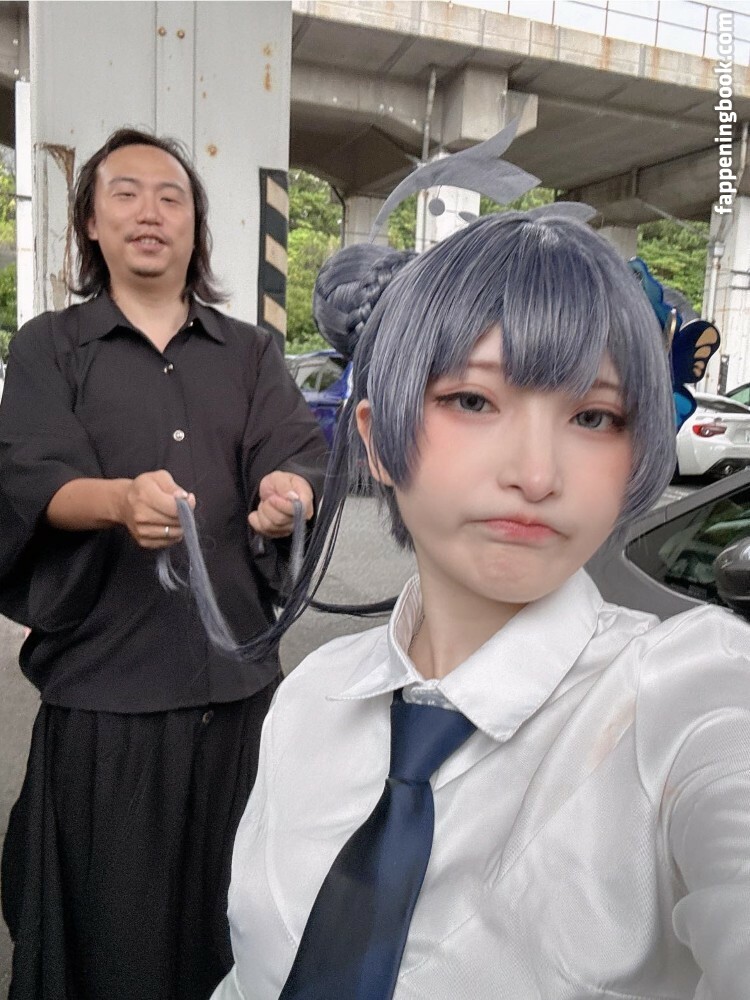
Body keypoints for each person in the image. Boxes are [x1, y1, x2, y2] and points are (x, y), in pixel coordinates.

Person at [212, 212, 750, 999]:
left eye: (593, 417)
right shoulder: (310, 699)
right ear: (377, 439)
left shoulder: (687, 696)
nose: (536, 473)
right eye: (471, 400)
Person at [0, 128, 327, 1000]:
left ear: (195, 226)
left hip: (240, 701)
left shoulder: (252, 352)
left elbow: (295, 452)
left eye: (171, 196)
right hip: (108, 702)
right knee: (115, 946)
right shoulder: (49, 346)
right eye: (126, 193)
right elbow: (31, 477)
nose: (150, 211)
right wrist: (115, 501)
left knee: (239, 928)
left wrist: (288, 493)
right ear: (91, 224)